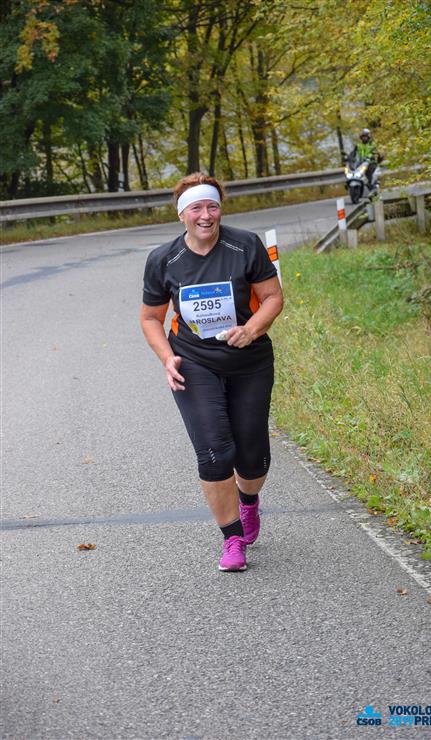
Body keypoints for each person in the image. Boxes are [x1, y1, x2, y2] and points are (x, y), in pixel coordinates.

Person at [140, 173, 284, 572]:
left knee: (252, 456)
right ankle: (232, 539)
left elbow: (273, 297)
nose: (206, 215)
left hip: (249, 362)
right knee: (214, 451)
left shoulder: (245, 245)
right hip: (194, 362)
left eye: (212, 206)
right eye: (196, 208)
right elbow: (151, 318)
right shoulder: (163, 260)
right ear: (182, 214)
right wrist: (166, 357)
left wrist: (252, 329)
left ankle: (248, 500)